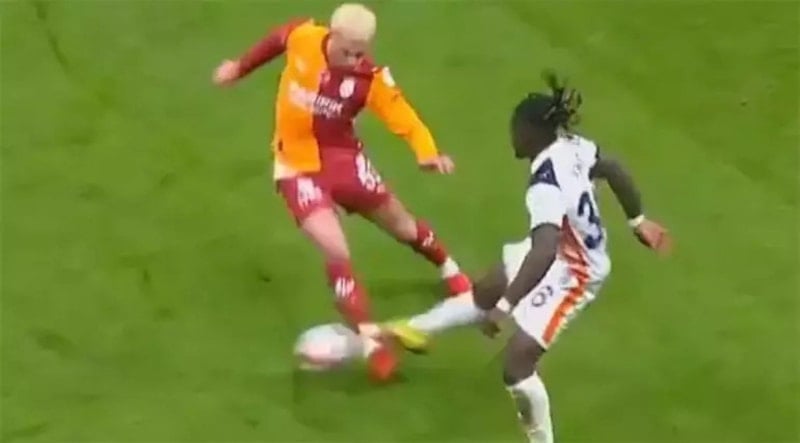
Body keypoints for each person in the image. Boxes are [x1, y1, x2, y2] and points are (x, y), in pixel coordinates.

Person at [382, 72, 671, 441]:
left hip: (576, 270)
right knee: (488, 287)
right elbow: (612, 167)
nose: (513, 136)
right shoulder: (573, 146)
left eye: (516, 129)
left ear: (533, 133)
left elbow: (544, 250)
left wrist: (505, 307)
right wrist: (638, 220)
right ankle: (418, 330)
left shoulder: (544, 185)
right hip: (562, 247)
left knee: (516, 364)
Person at [212, 3, 471, 382]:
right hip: (296, 167)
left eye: (360, 52)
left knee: (401, 226)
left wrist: (427, 153)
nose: (354, 59)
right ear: (331, 36)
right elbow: (276, 40)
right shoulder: (304, 37)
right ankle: (370, 341)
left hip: (344, 162)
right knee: (335, 247)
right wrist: (239, 67)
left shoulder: (369, 79)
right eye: (348, 51)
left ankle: (449, 268)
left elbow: (404, 117)